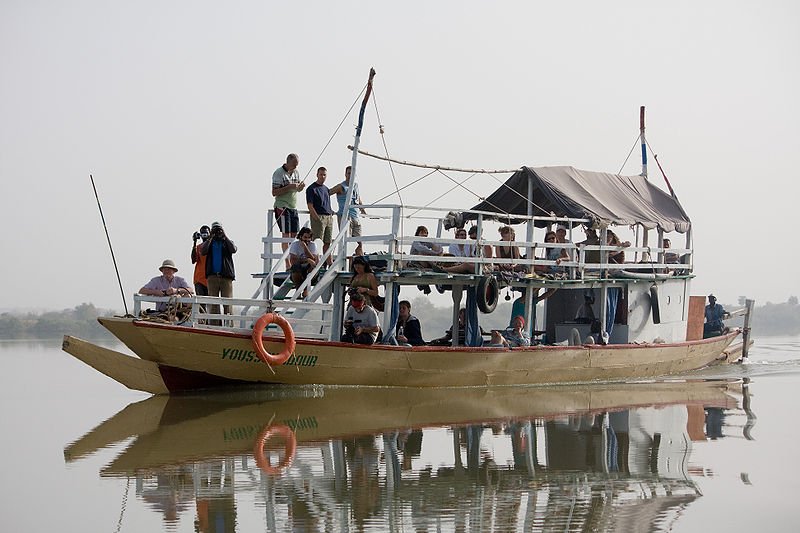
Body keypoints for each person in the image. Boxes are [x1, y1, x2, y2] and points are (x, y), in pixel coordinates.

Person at [272, 153, 305, 269]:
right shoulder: (278, 173)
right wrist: (289, 186)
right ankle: (287, 263)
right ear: (288, 162)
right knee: (286, 235)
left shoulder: (296, 172)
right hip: (282, 206)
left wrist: (300, 187)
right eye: (294, 164)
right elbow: (274, 192)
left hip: (293, 206)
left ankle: (294, 259)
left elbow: (297, 188)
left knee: (295, 235)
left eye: (297, 165)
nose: (296, 167)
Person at [200, 221, 237, 323]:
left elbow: (233, 249)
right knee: (213, 304)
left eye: (218, 229)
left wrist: (224, 235)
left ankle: (229, 325)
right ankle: (214, 325)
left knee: (228, 303)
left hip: (226, 277)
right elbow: (202, 251)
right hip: (212, 277)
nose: (217, 232)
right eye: (215, 229)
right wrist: (210, 237)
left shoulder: (226, 242)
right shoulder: (209, 243)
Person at [329, 165, 367, 257]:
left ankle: (360, 262)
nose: (350, 175)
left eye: (352, 173)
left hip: (355, 216)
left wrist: (362, 209)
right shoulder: (341, 186)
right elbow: (327, 193)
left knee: (359, 242)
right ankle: (347, 265)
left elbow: (358, 197)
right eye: (349, 173)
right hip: (345, 216)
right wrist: (329, 209)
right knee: (347, 243)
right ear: (345, 174)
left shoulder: (355, 185)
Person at [305, 166, 335, 265]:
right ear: (317, 175)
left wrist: (331, 212)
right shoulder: (311, 188)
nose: (322, 176)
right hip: (319, 217)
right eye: (321, 174)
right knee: (317, 242)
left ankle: (329, 263)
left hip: (328, 217)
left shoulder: (326, 189)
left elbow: (326, 203)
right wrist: (316, 218)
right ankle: (316, 263)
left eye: (324, 175)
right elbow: (310, 205)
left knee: (328, 242)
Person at [288, 227, 319, 297]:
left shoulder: (313, 245)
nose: (307, 240)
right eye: (305, 237)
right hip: (299, 269)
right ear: (300, 236)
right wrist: (307, 260)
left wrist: (305, 248)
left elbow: (314, 259)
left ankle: (305, 290)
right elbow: (292, 261)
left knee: (311, 268)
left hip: (310, 271)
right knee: (295, 267)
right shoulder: (295, 245)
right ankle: (298, 289)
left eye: (309, 238)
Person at [190, 225, 211, 296]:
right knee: (201, 304)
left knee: (211, 303)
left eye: (206, 233)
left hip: (211, 278)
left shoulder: (213, 246)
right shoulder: (198, 247)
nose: (204, 235)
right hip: (199, 278)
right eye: (202, 233)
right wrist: (194, 242)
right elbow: (193, 260)